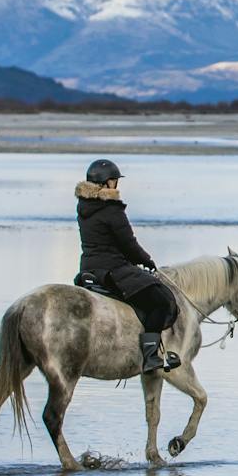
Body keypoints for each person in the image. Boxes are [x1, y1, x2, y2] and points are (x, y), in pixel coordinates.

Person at [75, 158, 181, 374]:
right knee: (160, 300)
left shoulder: (84, 207)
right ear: (106, 183)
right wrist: (146, 260)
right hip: (112, 270)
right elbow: (128, 244)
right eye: (114, 181)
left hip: (88, 268)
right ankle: (151, 357)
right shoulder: (111, 210)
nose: (117, 185)